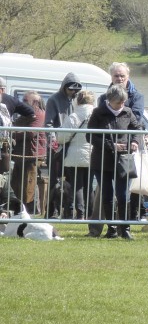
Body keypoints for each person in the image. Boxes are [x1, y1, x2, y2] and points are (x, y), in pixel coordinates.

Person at [86, 84, 144, 240]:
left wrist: (135, 142)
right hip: (102, 161)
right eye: (119, 102)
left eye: (123, 102)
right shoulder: (98, 113)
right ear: (110, 100)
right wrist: (111, 145)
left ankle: (125, 229)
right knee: (107, 195)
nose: (121, 105)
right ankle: (111, 229)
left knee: (123, 195)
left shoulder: (128, 112)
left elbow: (138, 129)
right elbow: (90, 136)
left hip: (123, 161)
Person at [43, 73, 82, 217]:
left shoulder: (77, 100)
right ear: (65, 87)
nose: (73, 92)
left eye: (75, 90)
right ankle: (51, 212)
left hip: (72, 147)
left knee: (71, 181)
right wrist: (53, 140)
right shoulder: (54, 100)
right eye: (71, 89)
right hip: (56, 147)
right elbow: (48, 123)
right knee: (54, 180)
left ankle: (69, 212)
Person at [7, 91, 46, 215]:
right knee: (16, 185)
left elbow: (30, 132)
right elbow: (13, 126)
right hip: (19, 155)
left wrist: (13, 134)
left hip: (31, 155)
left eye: (25, 100)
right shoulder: (25, 115)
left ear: (34, 102)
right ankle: (18, 210)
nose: (22, 103)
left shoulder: (39, 114)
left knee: (28, 185)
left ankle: (30, 212)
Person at [61, 89, 96, 221]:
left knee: (77, 185)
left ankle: (80, 214)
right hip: (92, 154)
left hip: (74, 155)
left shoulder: (73, 117)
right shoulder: (96, 115)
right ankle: (90, 213)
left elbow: (62, 137)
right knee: (89, 185)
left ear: (78, 101)